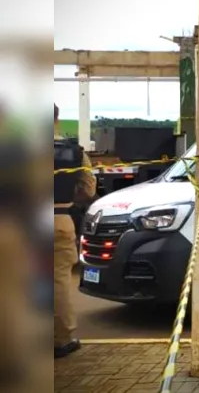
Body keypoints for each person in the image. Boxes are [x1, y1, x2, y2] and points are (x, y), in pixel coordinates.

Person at [54, 104, 96, 358]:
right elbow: (88, 190)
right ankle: (62, 339)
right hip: (57, 218)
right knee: (58, 282)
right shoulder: (75, 152)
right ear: (56, 119)